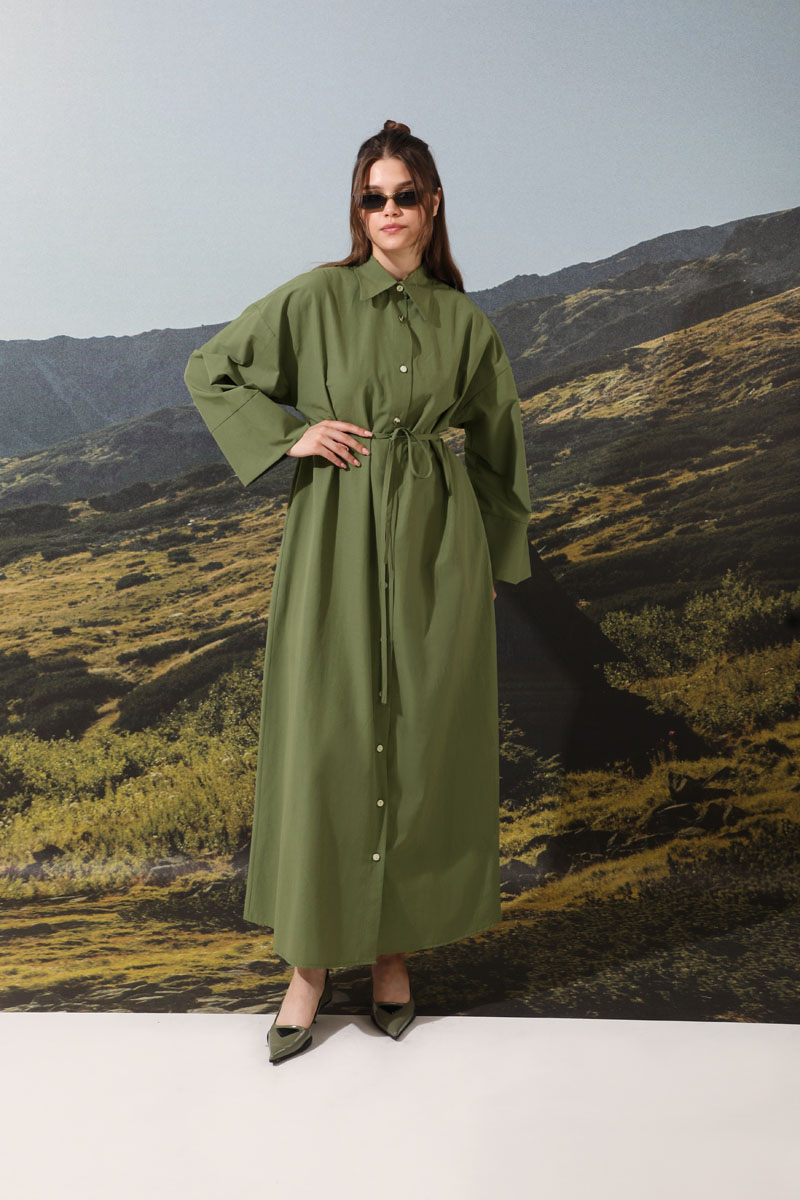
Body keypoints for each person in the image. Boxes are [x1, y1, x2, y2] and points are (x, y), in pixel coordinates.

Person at [183, 120, 532, 1063]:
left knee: (419, 744)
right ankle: (308, 967)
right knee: (328, 740)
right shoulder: (316, 297)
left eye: (404, 196)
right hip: (335, 534)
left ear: (433, 204)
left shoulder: (466, 323)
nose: (388, 212)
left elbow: (500, 448)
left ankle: (392, 954)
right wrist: (288, 435)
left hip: (436, 548)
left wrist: (490, 565)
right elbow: (210, 367)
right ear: (358, 208)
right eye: (372, 198)